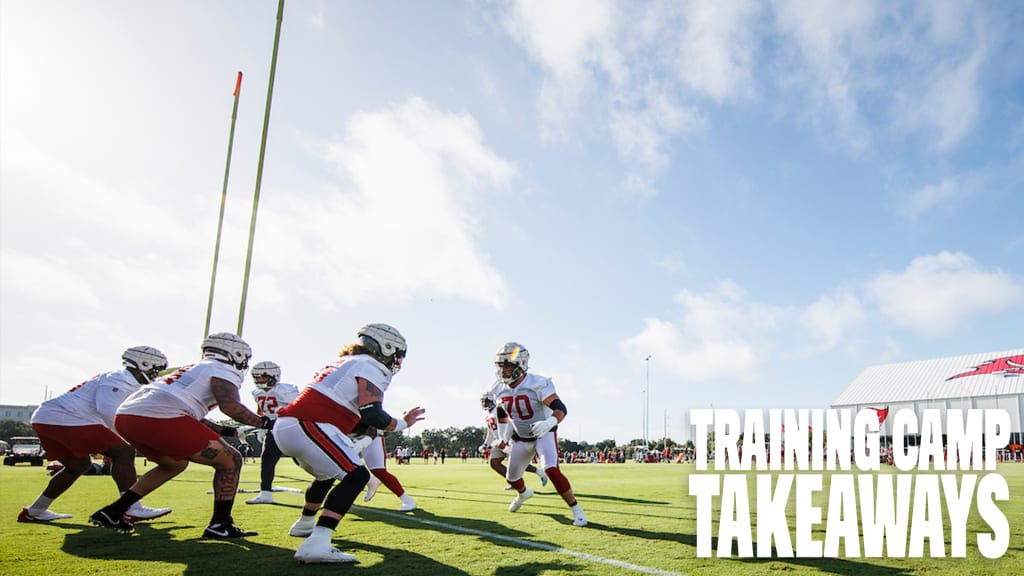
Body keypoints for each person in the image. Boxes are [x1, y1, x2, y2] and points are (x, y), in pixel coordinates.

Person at [89, 333, 272, 537]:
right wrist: (265, 422)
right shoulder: (222, 368)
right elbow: (230, 406)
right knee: (230, 460)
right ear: (236, 354)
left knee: (174, 464)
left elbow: (187, 414)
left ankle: (114, 511)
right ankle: (220, 525)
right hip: (160, 416)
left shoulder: (193, 369)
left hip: (127, 416)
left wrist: (230, 431)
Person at [274, 323, 425, 564]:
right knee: (357, 476)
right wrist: (403, 423)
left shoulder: (343, 363)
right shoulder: (371, 365)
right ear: (385, 348)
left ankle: (304, 524)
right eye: (396, 355)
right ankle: (318, 542)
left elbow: (355, 417)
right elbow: (372, 414)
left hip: (291, 426)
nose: (396, 362)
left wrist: (366, 433)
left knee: (327, 475)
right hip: (309, 423)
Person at [18, 346, 173, 525]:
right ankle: (131, 507)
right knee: (124, 451)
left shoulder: (120, 379)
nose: (156, 375)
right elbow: (108, 412)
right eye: (155, 369)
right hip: (64, 417)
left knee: (78, 465)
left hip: (49, 418)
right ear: (144, 364)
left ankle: (36, 510)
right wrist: (137, 439)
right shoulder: (120, 379)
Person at [491, 342, 586, 527]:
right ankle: (524, 494)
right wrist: (503, 436)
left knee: (551, 469)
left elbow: (560, 408)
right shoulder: (498, 388)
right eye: (501, 366)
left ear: (520, 365)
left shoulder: (537, 383)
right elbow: (502, 412)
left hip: (544, 433)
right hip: (520, 438)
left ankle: (577, 510)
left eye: (508, 365)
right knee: (512, 478)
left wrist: (550, 421)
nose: (503, 371)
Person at [245, 361, 300, 505]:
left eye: (261, 377)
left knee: (303, 460)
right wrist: (262, 426)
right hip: (272, 428)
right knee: (268, 459)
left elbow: (299, 409)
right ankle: (265, 492)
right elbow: (260, 411)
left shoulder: (286, 390)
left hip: (289, 426)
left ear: (273, 375)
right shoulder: (257, 393)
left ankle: (327, 479)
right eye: (255, 377)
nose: (258, 380)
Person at [479, 393, 547, 490]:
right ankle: (514, 483)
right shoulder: (488, 416)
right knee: (494, 463)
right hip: (497, 442)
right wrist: (486, 444)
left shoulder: (499, 410)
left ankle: (539, 472)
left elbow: (509, 425)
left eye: (486, 401)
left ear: (491, 400)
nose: (484, 404)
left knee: (517, 463)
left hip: (507, 440)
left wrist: (507, 439)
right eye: (483, 402)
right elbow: (490, 432)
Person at [359, 431, 417, 511]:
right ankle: (371, 481)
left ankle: (407, 500)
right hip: (346, 435)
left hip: (369, 433)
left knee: (379, 471)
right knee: (339, 465)